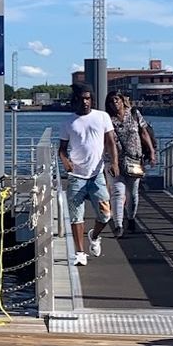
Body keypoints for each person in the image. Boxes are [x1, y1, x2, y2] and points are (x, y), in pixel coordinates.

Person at [58, 84, 119, 266]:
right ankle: (80, 252)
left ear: (92, 100)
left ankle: (94, 235)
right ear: (75, 100)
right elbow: (61, 149)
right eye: (82, 98)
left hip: (97, 174)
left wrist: (114, 162)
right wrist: (65, 161)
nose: (85, 102)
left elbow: (110, 142)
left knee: (106, 214)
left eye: (88, 98)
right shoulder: (68, 122)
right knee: (76, 216)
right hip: (77, 176)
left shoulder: (102, 117)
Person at [104, 90, 157, 236]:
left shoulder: (134, 113)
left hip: (134, 158)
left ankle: (131, 218)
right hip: (113, 160)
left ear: (122, 100)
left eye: (116, 100)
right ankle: (118, 225)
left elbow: (144, 133)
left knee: (132, 193)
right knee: (117, 192)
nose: (114, 103)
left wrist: (151, 152)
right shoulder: (107, 118)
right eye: (111, 101)